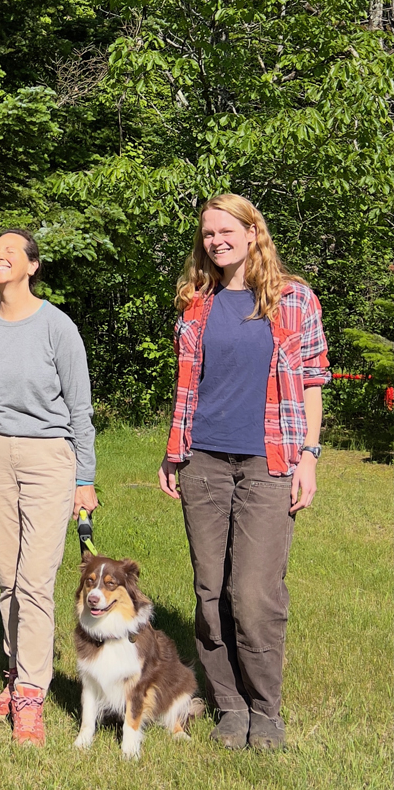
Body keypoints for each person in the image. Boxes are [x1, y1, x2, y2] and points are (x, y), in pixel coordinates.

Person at [158, 194, 330, 750]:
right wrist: (173, 452)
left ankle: (265, 709)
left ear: (253, 232)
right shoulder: (197, 301)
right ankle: (230, 705)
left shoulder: (295, 298)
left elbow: (312, 381)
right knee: (210, 594)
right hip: (203, 460)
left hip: (269, 461)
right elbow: (187, 385)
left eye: (227, 230)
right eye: (208, 233)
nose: (216, 241)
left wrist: (309, 455)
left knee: (254, 595)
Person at [0, 229, 98, 746]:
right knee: (8, 578)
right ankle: (18, 674)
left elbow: (79, 407)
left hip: (47, 458)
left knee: (35, 580)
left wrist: (85, 478)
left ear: (32, 266)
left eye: (9, 251)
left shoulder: (57, 327)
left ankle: (31, 697)